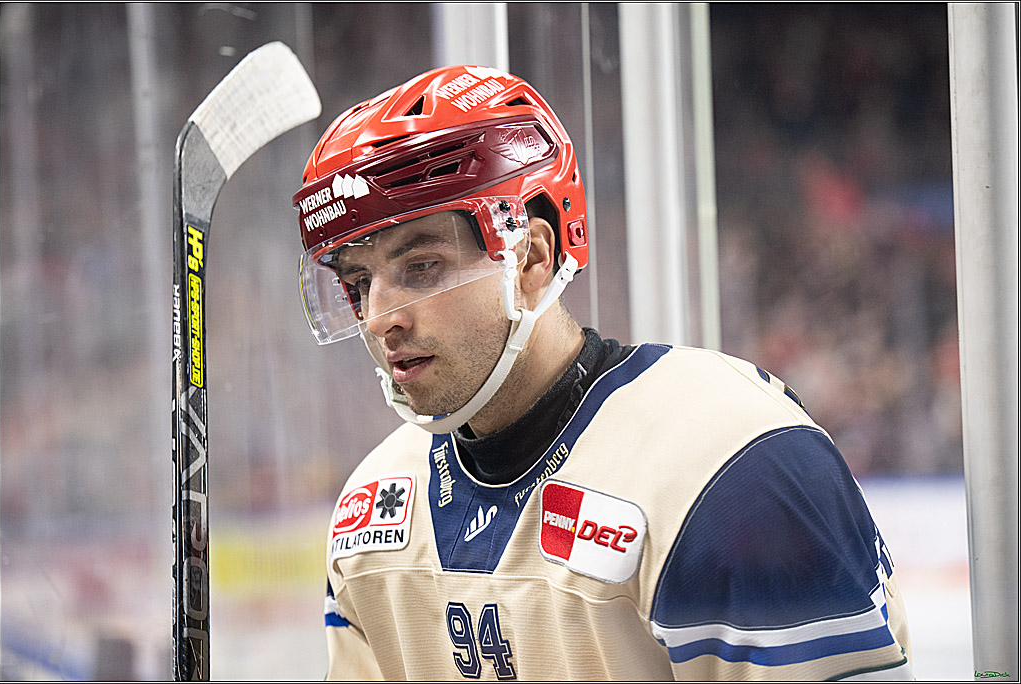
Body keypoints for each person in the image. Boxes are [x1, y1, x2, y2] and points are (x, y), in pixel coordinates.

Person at [292, 64, 912, 681]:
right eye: (356, 284)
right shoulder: (371, 509)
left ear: (532, 256)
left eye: (421, 267)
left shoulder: (730, 464)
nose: (378, 319)